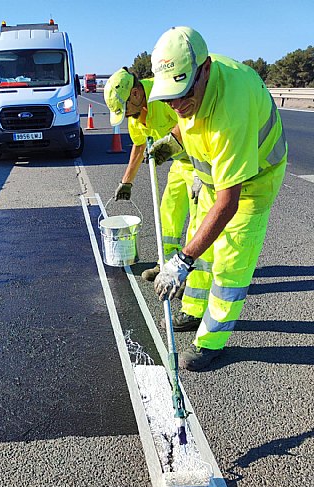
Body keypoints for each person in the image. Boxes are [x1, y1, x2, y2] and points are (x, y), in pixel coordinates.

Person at [147, 26, 287, 370]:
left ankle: (211, 341)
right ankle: (194, 310)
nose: (176, 104)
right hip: (214, 180)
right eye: (169, 97)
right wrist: (173, 140)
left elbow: (229, 204)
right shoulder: (193, 88)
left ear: (205, 69)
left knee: (228, 264)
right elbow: (190, 119)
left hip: (253, 182)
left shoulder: (230, 112)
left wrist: (181, 262)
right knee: (202, 240)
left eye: (182, 93)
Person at [104, 68, 201, 271]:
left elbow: (193, 120)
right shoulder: (135, 117)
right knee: (168, 211)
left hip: (201, 161)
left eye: (125, 108)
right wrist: (126, 181)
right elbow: (139, 147)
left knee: (198, 217)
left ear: (136, 94)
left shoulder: (164, 94)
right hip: (181, 162)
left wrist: (202, 170)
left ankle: (192, 271)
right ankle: (166, 264)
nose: (127, 115)